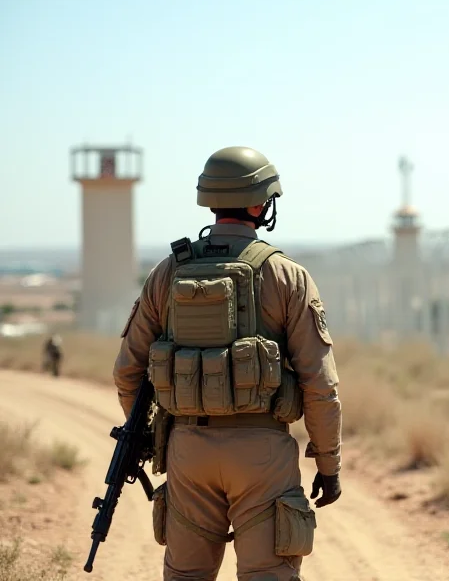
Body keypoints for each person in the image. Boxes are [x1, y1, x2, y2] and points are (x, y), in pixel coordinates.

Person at [113, 146, 342, 581]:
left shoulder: (167, 272)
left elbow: (127, 371)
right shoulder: (286, 275)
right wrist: (328, 465)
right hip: (263, 454)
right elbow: (321, 384)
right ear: (260, 203)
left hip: (188, 450)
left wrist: (154, 438)